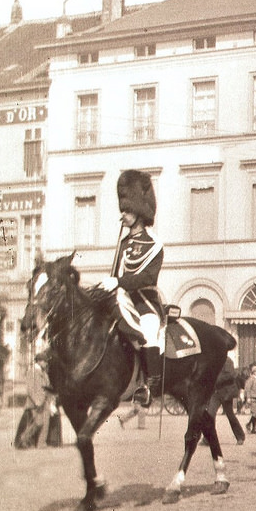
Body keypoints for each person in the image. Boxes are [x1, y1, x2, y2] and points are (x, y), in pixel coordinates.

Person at [99, 170, 164, 407]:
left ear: (139, 211)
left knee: (148, 330)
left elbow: (148, 278)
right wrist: (106, 285)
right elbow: (115, 275)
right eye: (122, 210)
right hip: (122, 299)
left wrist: (119, 282)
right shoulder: (123, 243)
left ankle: (150, 385)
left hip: (145, 303)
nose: (123, 215)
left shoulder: (154, 244)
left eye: (127, 210)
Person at [214, 357, 245, 444]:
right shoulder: (212, 359)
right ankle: (207, 438)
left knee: (230, 414)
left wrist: (215, 379)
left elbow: (231, 375)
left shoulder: (227, 360)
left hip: (226, 392)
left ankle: (240, 436)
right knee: (210, 414)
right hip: (215, 392)